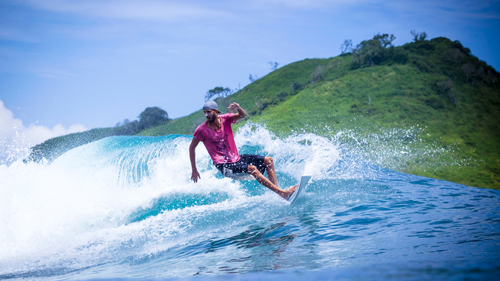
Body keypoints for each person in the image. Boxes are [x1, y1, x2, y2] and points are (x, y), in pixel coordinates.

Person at [189, 100, 298, 200]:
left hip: (236, 159)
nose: (206, 115)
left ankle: (280, 194)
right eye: (205, 112)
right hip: (223, 165)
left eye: (209, 112)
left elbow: (242, 115)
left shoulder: (225, 119)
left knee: (268, 160)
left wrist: (238, 108)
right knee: (252, 169)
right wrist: (194, 169)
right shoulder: (201, 130)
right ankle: (282, 193)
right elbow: (192, 147)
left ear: (216, 111)